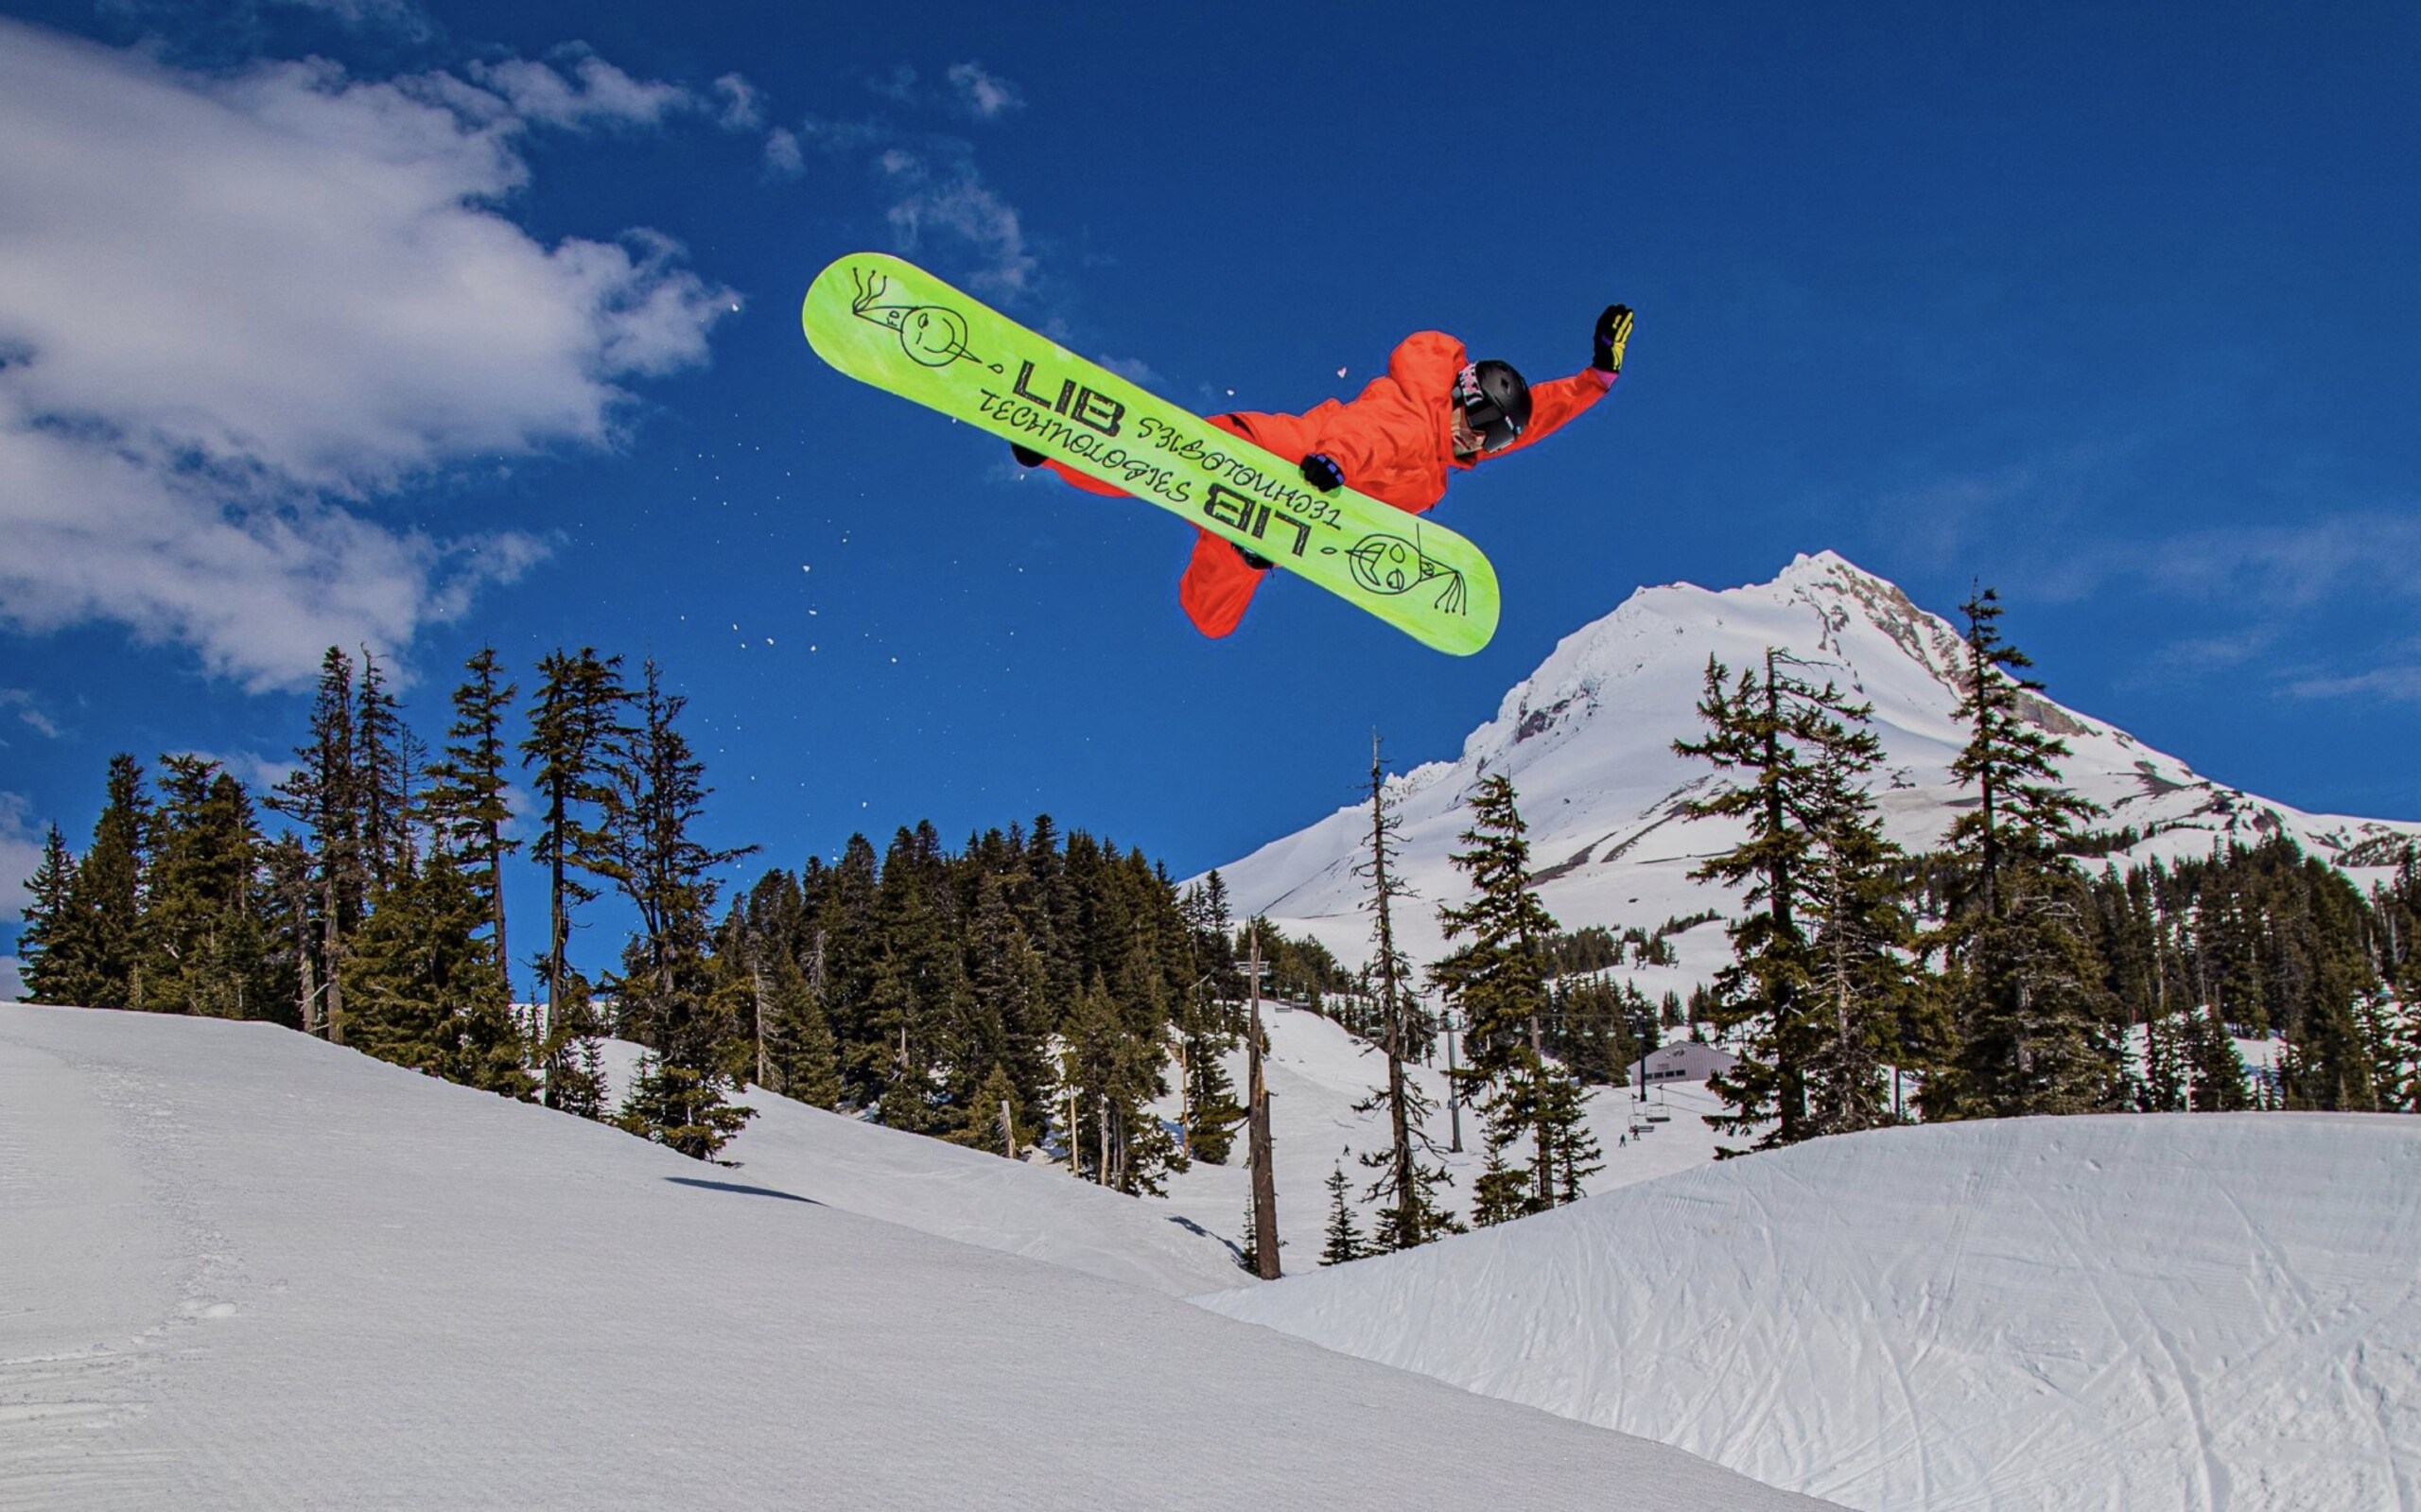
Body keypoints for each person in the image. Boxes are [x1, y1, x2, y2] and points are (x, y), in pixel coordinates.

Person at [1013, 304, 1635, 637]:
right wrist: (1334, 460)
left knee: (1211, 616)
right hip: (1288, 456)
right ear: (1460, 392)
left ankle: (1242, 548)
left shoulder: (1450, 454)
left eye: (1492, 438)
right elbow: (1373, 432)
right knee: (1174, 455)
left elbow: (1539, 415)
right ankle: (1059, 447)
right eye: (1476, 419)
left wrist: (1595, 381)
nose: (1477, 438)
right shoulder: (1419, 409)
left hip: (1288, 514)